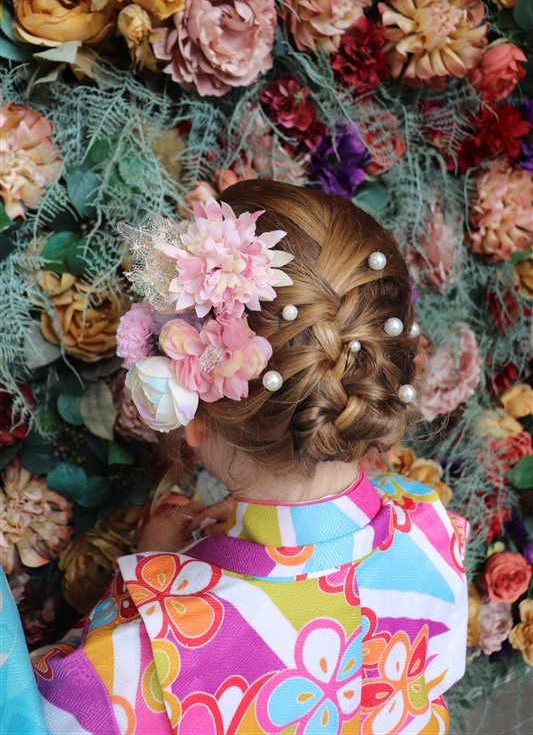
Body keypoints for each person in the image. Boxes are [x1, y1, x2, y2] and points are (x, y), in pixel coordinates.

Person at [13, 181, 468, 734]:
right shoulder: (431, 528)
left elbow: (33, 717)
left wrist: (150, 587)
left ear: (194, 417)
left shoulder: (143, 656)